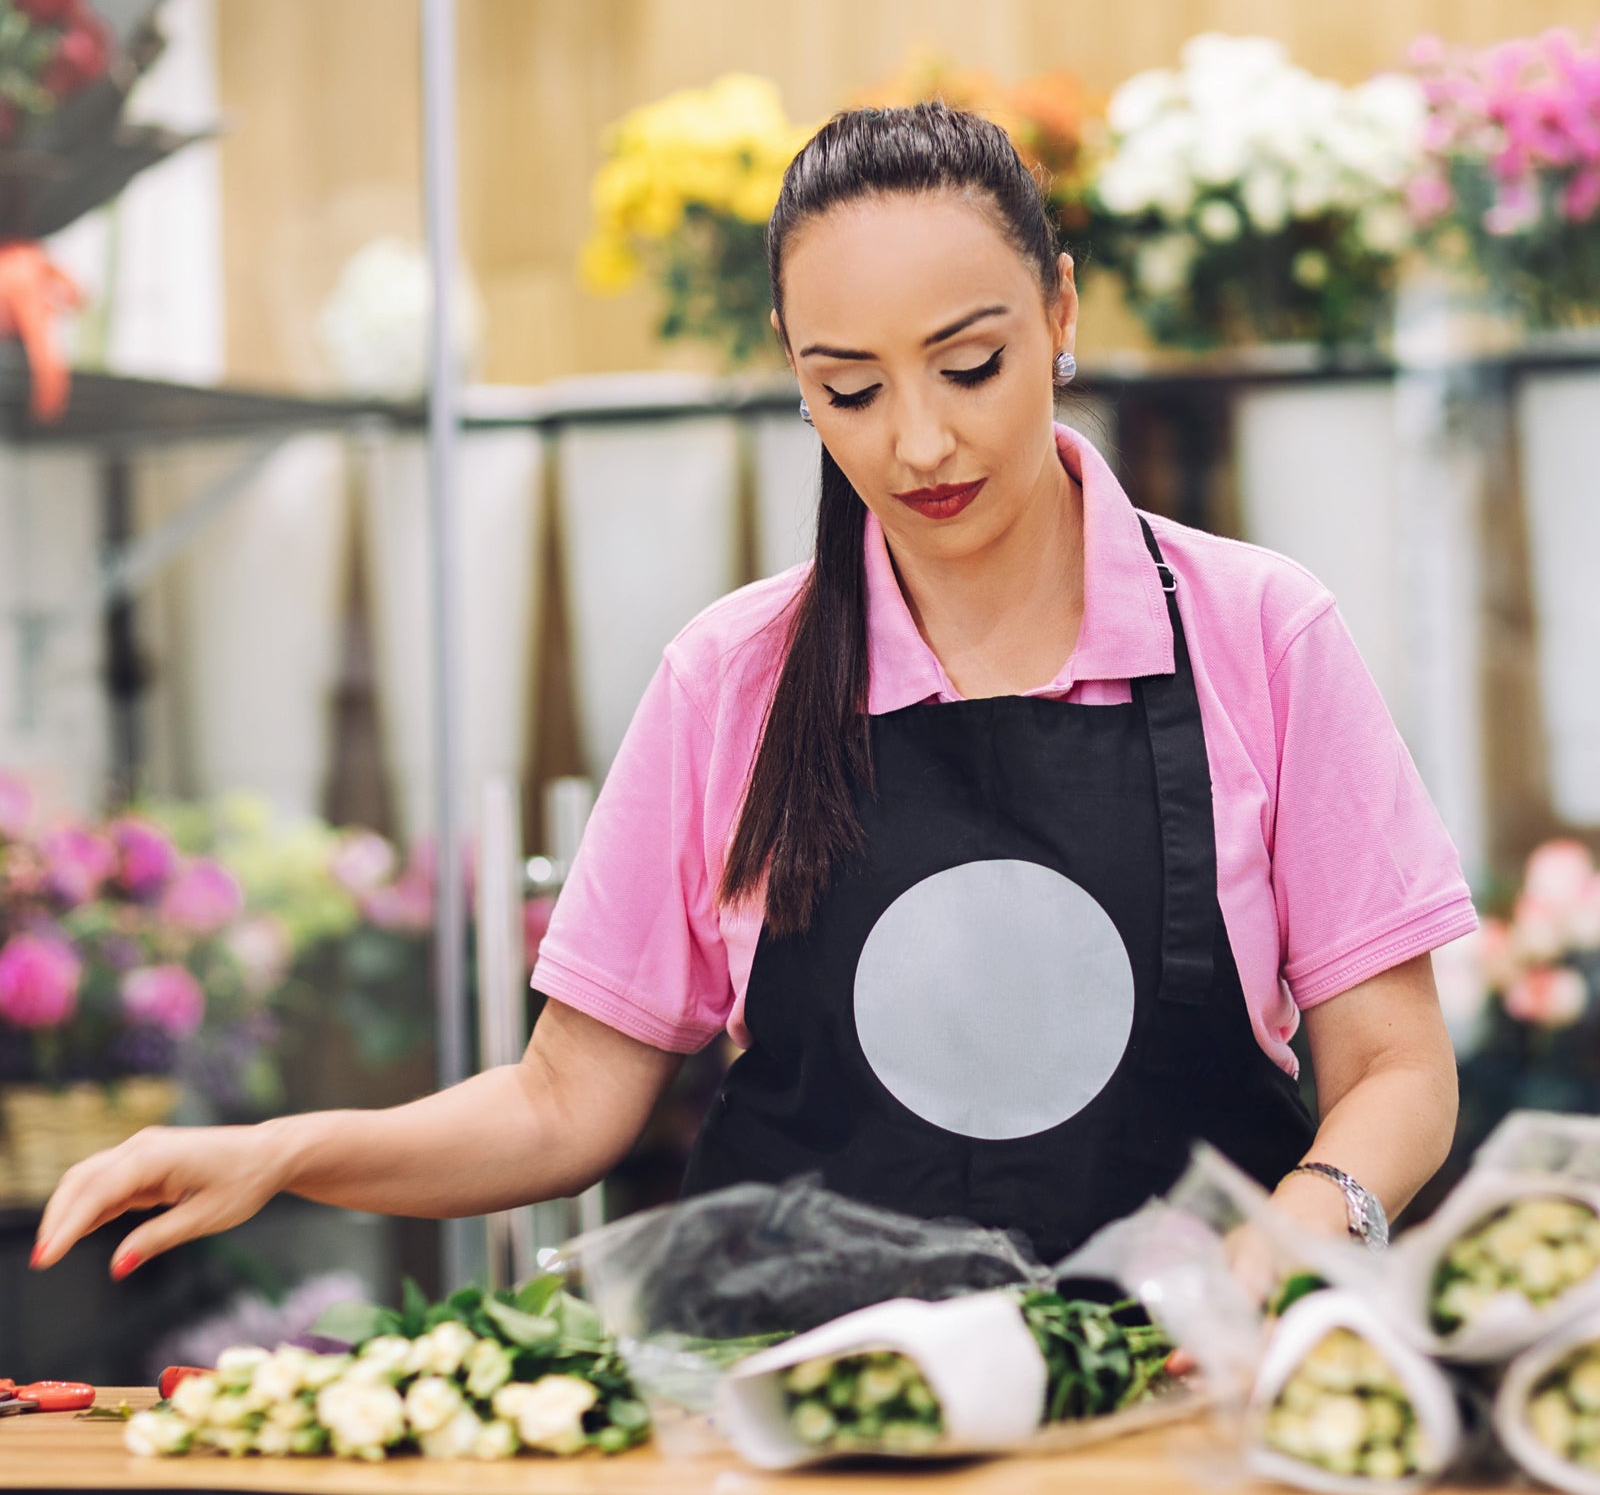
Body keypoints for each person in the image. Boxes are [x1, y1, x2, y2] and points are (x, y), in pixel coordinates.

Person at [32, 101, 1473, 1283]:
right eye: (852, 390)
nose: (921, 442)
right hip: (802, 1404)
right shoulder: (733, 678)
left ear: (1061, 313)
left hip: (1175, 1400)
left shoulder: (1257, 632)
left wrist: (1293, 1239)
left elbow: (1398, 1068)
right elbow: (561, 1103)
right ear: (795, 377)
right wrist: (284, 1152)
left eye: (971, 365)